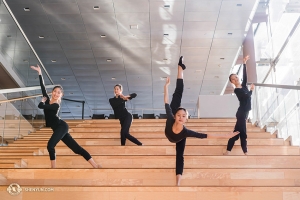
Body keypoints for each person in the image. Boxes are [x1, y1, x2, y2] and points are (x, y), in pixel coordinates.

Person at [164, 56, 240, 186]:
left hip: (178, 138)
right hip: (170, 128)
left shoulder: (186, 132)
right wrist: (166, 86)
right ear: (175, 116)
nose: (181, 117)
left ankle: (178, 180)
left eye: (184, 116)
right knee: (178, 92)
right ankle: (180, 69)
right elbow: (166, 100)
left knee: (180, 155)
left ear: (186, 119)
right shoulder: (171, 116)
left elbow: (206, 135)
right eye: (179, 115)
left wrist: (226, 136)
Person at [31, 65, 100, 168]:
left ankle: (53, 168)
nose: (56, 93)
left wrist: (42, 101)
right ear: (52, 92)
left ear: (61, 95)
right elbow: (42, 87)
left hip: (61, 127)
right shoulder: (48, 100)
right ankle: (95, 165)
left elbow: (41, 106)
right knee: (76, 149)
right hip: (58, 128)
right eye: (54, 91)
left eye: (58, 92)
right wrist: (40, 73)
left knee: (50, 145)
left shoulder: (55, 105)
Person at [224, 55, 255, 156]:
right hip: (241, 113)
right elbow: (246, 96)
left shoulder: (244, 85)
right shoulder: (237, 90)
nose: (236, 79)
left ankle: (228, 151)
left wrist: (244, 63)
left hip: (244, 113)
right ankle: (245, 152)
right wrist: (251, 90)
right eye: (233, 79)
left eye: (236, 77)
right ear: (232, 82)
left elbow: (245, 76)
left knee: (236, 133)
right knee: (243, 133)